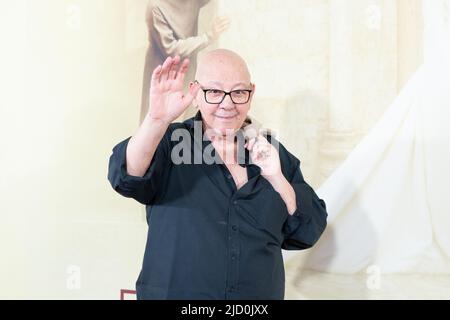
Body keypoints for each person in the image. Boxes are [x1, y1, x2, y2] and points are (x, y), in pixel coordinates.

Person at [108, 49, 328, 299]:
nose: (227, 103)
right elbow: (125, 177)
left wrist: (277, 179)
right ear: (195, 93)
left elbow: (307, 230)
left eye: (238, 92)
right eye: (214, 92)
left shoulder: (273, 153)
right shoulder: (170, 142)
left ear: (251, 93)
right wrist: (156, 119)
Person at [140, 0, 230, 123]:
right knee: (158, 123)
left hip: (188, 70)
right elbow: (171, 49)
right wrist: (208, 37)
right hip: (164, 73)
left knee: (189, 120)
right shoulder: (155, 6)